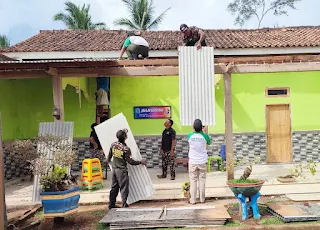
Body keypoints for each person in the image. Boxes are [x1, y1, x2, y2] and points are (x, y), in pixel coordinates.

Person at [107, 129, 146, 209]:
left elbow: (109, 156)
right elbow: (130, 161)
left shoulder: (113, 145)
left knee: (114, 188)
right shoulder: (126, 149)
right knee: (124, 188)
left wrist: (108, 161)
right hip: (122, 171)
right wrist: (140, 162)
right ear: (125, 137)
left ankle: (111, 204)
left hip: (115, 170)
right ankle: (124, 205)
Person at [187, 119, 211, 204]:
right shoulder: (205, 136)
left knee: (193, 181)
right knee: (202, 180)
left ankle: (193, 200)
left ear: (193, 127)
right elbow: (209, 142)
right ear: (202, 127)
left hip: (193, 161)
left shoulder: (189, 135)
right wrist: (204, 132)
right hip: (202, 161)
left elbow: (191, 137)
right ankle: (202, 199)